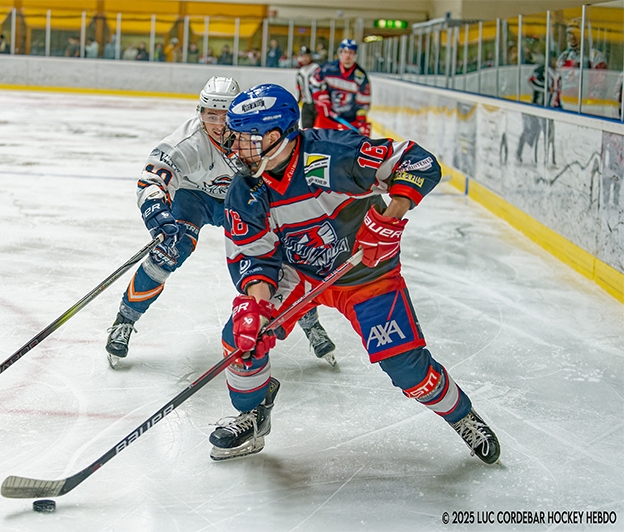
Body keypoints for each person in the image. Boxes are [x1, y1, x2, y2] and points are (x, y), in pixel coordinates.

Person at [207, 83, 501, 467]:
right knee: (242, 336)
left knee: (406, 367)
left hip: (365, 272)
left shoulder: (332, 153)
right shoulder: (245, 191)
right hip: (301, 275)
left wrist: (389, 218)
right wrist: (257, 306)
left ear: (275, 137)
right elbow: (255, 257)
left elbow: (417, 162)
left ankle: (463, 417)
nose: (234, 149)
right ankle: (251, 413)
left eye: (245, 139)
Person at [104, 77, 337, 368]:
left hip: (242, 199)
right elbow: (153, 176)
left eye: (225, 114)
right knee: (169, 250)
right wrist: (155, 207)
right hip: (194, 197)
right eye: (210, 114)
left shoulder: (254, 136)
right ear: (199, 113)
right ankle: (125, 319)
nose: (218, 123)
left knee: (283, 256)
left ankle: (310, 322)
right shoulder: (189, 142)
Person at [311, 39, 371, 135]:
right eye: (345, 52)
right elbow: (314, 82)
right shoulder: (327, 69)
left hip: (349, 121)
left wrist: (362, 122)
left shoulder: (360, 76)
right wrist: (322, 99)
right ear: (340, 53)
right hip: (326, 119)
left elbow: (363, 102)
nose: (347, 55)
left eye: (351, 53)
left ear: (355, 55)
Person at [296, 46, 319, 129]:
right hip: (306, 105)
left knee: (319, 129)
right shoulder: (300, 72)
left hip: (317, 104)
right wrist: (297, 102)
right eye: (302, 56)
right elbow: (299, 89)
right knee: (306, 129)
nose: (304, 58)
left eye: (306, 56)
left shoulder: (316, 68)